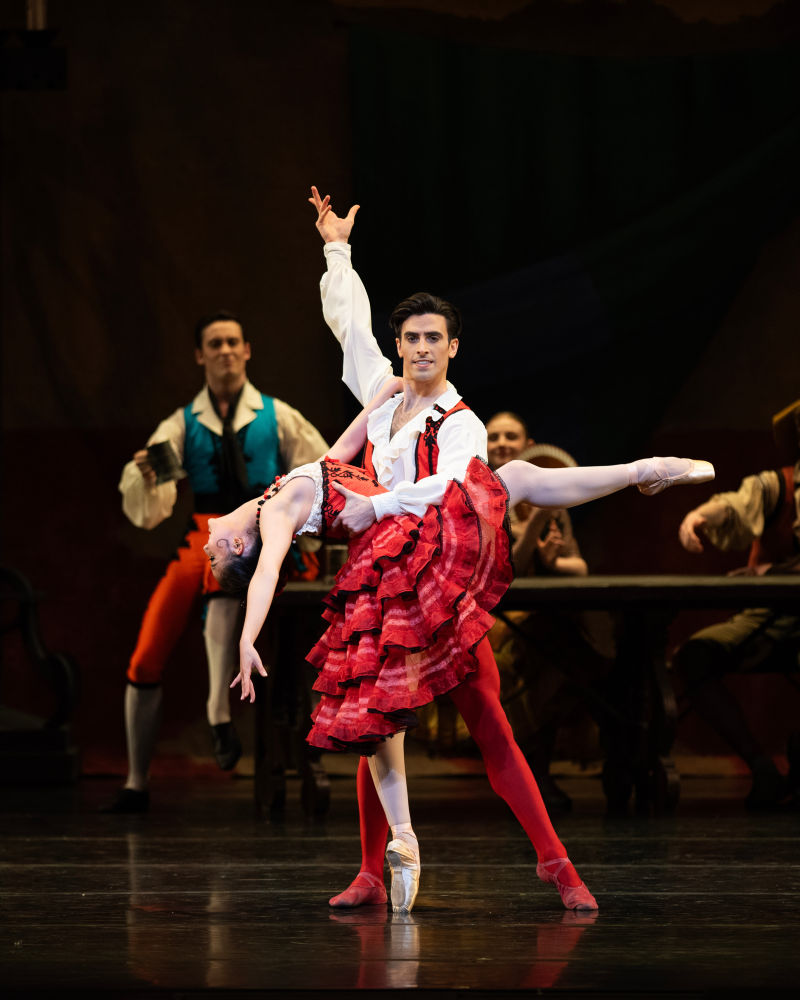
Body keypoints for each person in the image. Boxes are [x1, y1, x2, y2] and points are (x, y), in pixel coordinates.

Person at [209, 385, 712, 911]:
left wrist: (382, 387)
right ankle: (378, 868)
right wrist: (247, 637)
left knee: (482, 721)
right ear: (238, 544)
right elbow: (266, 573)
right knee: (379, 730)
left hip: (418, 563)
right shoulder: (274, 516)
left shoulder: (284, 490)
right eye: (215, 556)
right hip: (399, 577)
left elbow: (342, 446)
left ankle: (551, 860)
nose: (205, 545)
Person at [104, 310, 328, 813]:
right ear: (200, 355)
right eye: (215, 344)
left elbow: (321, 469)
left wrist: (301, 524)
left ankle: (224, 713)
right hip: (204, 534)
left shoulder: (278, 416)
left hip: (268, 530)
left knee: (294, 621)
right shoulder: (182, 424)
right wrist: (146, 476)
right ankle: (136, 781)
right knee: (147, 651)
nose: (225, 351)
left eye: (232, 342)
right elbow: (146, 497)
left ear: (247, 350)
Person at [484, 411, 619, 813]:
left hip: (550, 616)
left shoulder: (552, 501)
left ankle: (605, 755)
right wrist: (537, 525)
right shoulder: (481, 497)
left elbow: (579, 567)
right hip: (500, 617)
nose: (502, 443)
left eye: (511, 436)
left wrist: (554, 560)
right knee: (552, 652)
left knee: (577, 648)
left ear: (528, 446)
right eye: (494, 437)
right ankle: (534, 773)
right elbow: (511, 569)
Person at [673, 397, 800, 810]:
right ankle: (761, 766)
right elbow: (733, 506)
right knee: (694, 657)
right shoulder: (777, 484)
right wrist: (699, 517)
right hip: (771, 614)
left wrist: (777, 572)